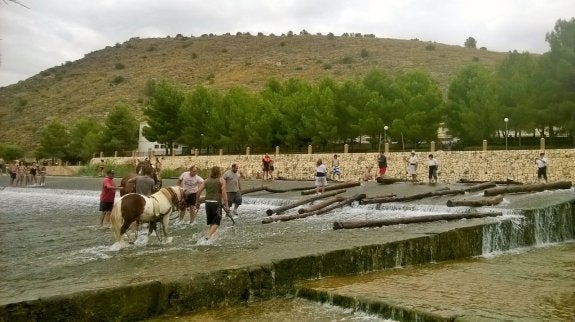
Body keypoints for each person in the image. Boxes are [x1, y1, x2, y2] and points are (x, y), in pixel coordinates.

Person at [195, 166, 229, 240]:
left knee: (212, 222)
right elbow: (224, 193)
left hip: (207, 203)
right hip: (216, 203)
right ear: (219, 172)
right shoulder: (222, 180)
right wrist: (226, 205)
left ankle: (209, 237)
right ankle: (208, 236)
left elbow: (198, 192)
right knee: (217, 222)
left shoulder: (206, 180)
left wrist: (197, 202)